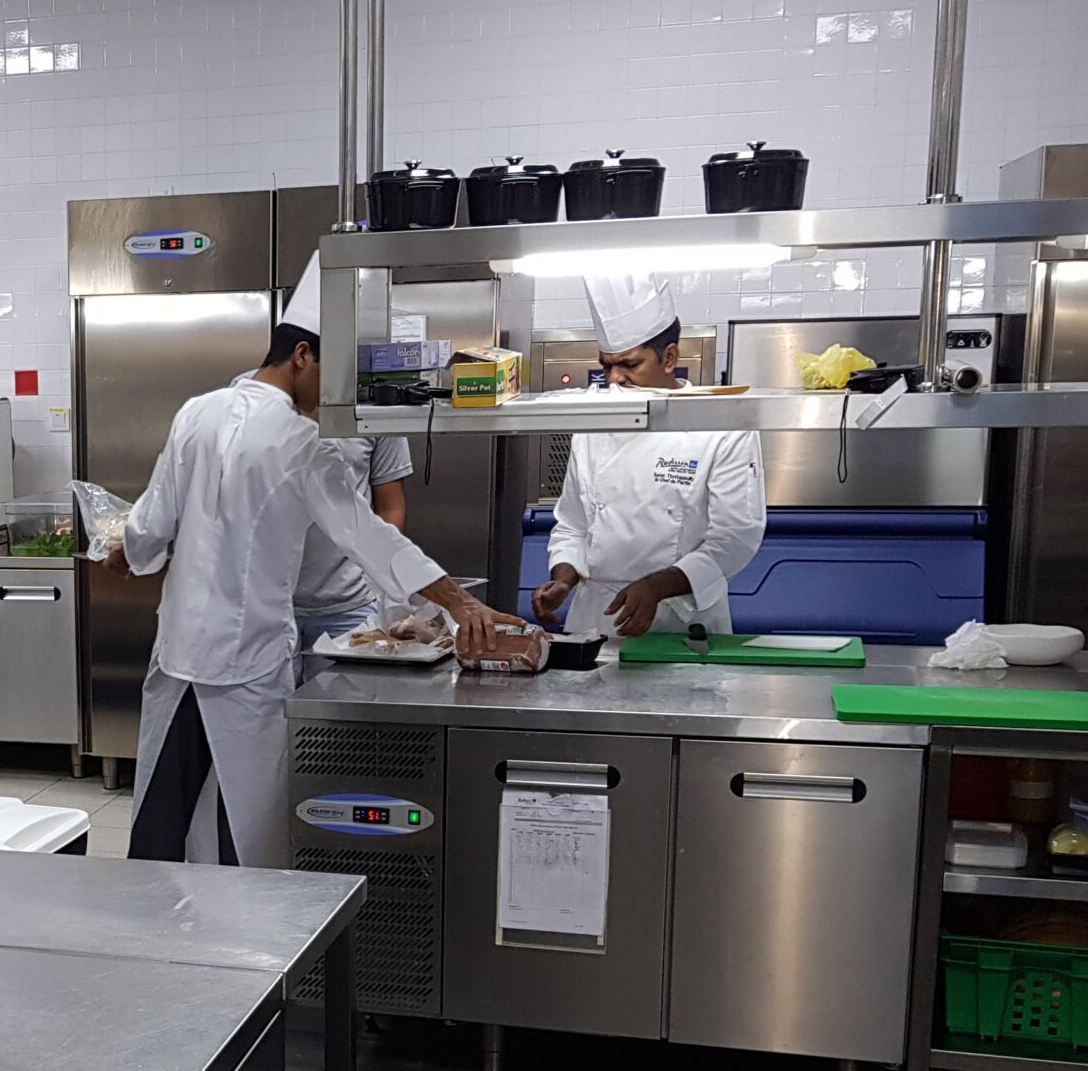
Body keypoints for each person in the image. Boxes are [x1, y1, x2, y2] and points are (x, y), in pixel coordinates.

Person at [106, 260, 528, 869]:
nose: (336, 395)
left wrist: (130, 553)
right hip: (247, 665)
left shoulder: (196, 412)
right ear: (303, 355)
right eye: (335, 375)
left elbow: (150, 524)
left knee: (165, 811)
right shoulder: (303, 443)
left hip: (178, 654)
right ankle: (239, 925)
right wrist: (459, 603)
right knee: (247, 821)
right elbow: (371, 537)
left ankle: (159, 918)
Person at [532, 276, 767, 639]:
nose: (615, 379)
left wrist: (656, 587)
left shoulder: (721, 425)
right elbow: (573, 524)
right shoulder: (594, 421)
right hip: (595, 619)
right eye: (607, 365)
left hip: (679, 619)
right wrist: (563, 579)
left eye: (630, 364)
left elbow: (735, 538)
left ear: (669, 357)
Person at [294, 432, 414, 657]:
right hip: (264, 607)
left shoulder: (375, 417)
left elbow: (390, 508)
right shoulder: (250, 416)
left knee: (346, 682)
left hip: (352, 604)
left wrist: (382, 582)